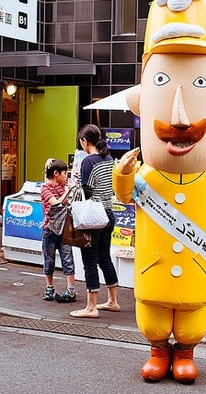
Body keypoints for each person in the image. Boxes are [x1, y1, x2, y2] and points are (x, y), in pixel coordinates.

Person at [112, 0, 206, 384]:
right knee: (153, 313)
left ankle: (184, 351)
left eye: (200, 85)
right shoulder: (148, 173)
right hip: (155, 266)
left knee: (189, 319)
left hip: (195, 267)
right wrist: (124, 172)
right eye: (163, 82)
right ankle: (156, 350)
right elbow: (125, 194)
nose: (182, 119)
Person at [69, 124, 120, 318]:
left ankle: (91, 307)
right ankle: (113, 301)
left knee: (89, 261)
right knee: (104, 257)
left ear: (85, 141)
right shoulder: (109, 159)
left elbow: (86, 191)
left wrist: (77, 180)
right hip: (109, 214)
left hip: (93, 217)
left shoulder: (88, 161)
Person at [40, 158, 76, 303]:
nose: (66, 176)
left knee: (68, 259)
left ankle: (71, 290)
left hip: (64, 229)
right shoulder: (45, 189)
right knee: (49, 260)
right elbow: (56, 203)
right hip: (49, 229)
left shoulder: (64, 185)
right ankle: (49, 288)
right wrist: (68, 191)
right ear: (56, 173)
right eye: (64, 173)